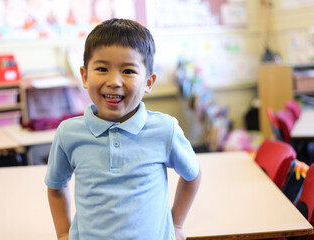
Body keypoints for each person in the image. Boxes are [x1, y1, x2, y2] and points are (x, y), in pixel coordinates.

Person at [45, 18, 201, 240]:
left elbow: (192, 175)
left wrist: (176, 224)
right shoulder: (68, 133)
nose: (114, 81)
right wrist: (62, 232)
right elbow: (56, 186)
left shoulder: (165, 129)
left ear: (148, 82)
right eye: (102, 68)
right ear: (85, 76)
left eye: (128, 71)